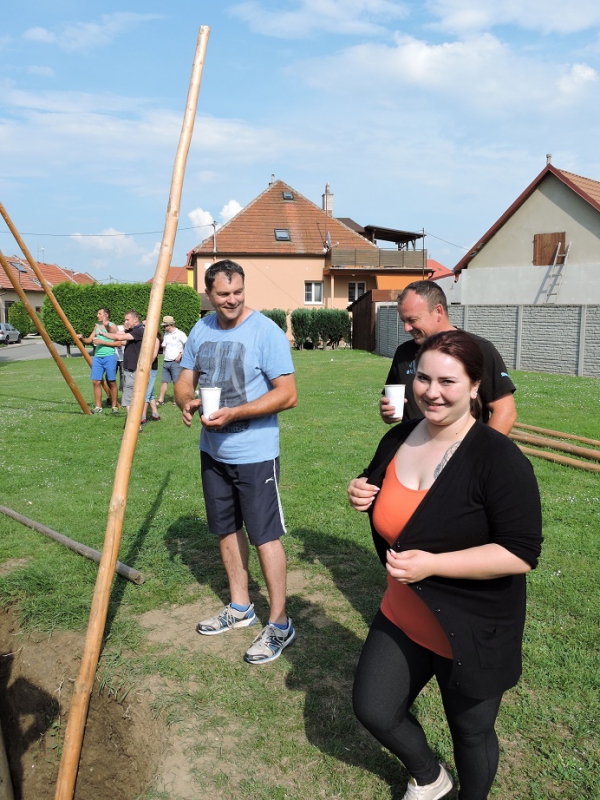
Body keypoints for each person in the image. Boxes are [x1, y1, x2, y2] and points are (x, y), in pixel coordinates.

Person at [348, 330, 542, 800]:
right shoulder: (397, 438)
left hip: (473, 625)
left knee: (471, 733)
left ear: (476, 387)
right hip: (403, 613)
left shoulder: (498, 459)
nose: (431, 392)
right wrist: (362, 490)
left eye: (448, 382)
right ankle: (431, 779)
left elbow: (519, 553)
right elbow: (384, 492)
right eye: (423, 378)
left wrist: (434, 564)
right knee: (374, 709)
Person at [175, 259, 298, 665]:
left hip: (255, 454)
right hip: (213, 451)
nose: (232, 300)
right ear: (209, 295)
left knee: (265, 536)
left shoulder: (266, 332)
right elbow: (184, 379)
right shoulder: (201, 329)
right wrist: (185, 401)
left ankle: (280, 623)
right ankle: (241, 607)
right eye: (223, 294)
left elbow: (288, 394)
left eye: (238, 292)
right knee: (225, 528)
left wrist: (235, 413)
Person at [380, 281, 517, 435]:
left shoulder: (479, 349)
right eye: (403, 321)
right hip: (412, 446)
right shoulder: (403, 353)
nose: (406, 328)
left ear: (438, 311)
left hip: (459, 448)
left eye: (412, 320)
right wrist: (387, 411)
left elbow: (505, 412)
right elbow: (392, 401)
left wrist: (479, 448)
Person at [77, 307, 121, 413]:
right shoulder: (97, 327)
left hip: (109, 356)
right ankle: (98, 407)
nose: (97, 315)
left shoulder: (112, 326)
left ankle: (114, 406)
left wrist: (103, 342)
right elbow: (89, 340)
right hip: (97, 357)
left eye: (99, 314)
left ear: (106, 315)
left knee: (111, 382)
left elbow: (119, 342)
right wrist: (81, 338)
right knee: (96, 382)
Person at [157, 315, 187, 406]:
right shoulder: (166, 334)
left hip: (175, 362)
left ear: (170, 325)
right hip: (166, 361)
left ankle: (176, 400)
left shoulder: (180, 334)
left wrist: (180, 354)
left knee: (176, 382)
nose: (164, 328)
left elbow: (188, 345)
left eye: (165, 326)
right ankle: (161, 400)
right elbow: (164, 346)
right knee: (164, 381)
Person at [141, 319, 161, 424]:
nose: (143, 327)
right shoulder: (143, 338)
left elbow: (154, 355)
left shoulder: (155, 339)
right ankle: (155, 414)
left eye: (145, 325)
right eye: (142, 325)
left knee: (146, 392)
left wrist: (146, 367)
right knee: (150, 392)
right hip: (144, 368)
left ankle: (143, 416)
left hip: (151, 368)